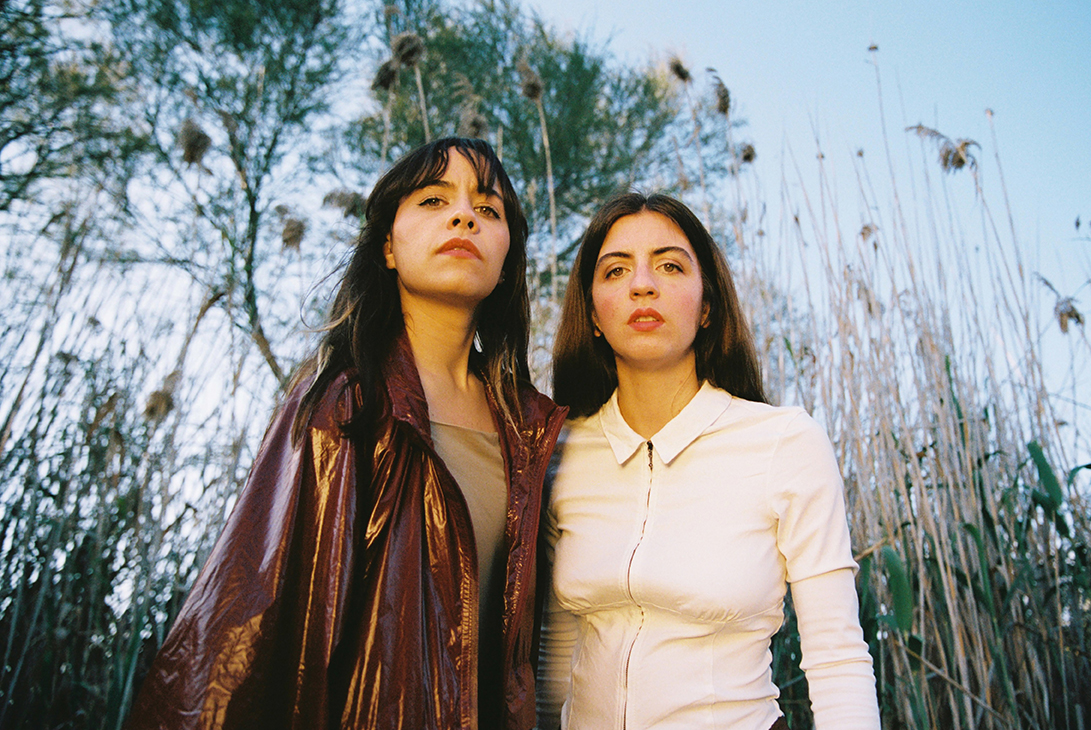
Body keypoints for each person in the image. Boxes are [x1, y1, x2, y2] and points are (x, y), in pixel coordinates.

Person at [126, 138, 567, 730]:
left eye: (489, 210)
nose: (464, 216)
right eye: (434, 200)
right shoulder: (343, 406)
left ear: (510, 254)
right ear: (387, 246)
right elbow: (253, 626)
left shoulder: (534, 429)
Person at [536, 192, 880, 729]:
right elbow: (557, 657)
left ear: (707, 306)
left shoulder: (783, 442)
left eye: (670, 265)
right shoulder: (562, 451)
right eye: (616, 269)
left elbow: (837, 658)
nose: (642, 284)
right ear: (594, 314)